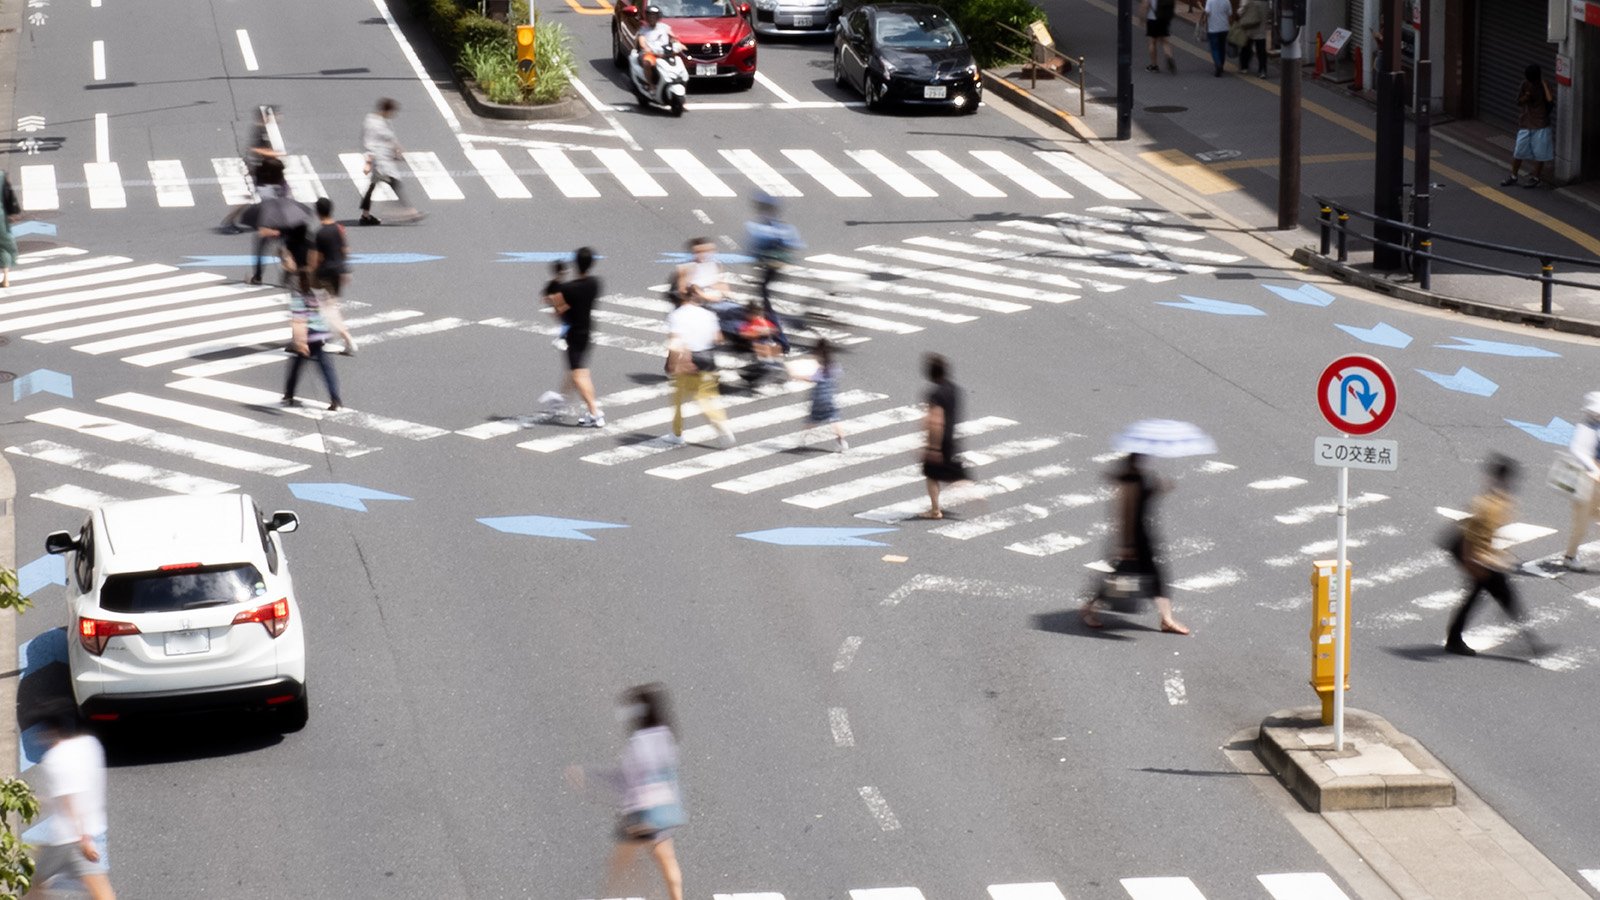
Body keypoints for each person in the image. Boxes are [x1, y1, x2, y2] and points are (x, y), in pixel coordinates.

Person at [568, 684, 686, 900]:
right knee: (665, 859)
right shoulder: (666, 736)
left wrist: (589, 777)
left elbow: (624, 779)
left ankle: (625, 895)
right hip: (663, 809)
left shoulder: (639, 743)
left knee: (621, 863)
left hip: (641, 814)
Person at [1080, 453, 1191, 634]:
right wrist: (1126, 546)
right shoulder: (1130, 481)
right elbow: (1127, 514)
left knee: (1155, 577)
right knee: (1119, 578)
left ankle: (1166, 619)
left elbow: (1145, 497)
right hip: (1133, 539)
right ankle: (1089, 607)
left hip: (1144, 536)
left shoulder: (1141, 476)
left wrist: (1159, 488)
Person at [1445, 456, 1545, 656]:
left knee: (1491, 596)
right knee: (1499, 596)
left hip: (1484, 558)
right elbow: (1468, 537)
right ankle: (1529, 641)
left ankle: (1529, 640)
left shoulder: (1499, 499)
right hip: (1477, 559)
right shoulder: (1487, 503)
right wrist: (1472, 564)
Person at [27, 707, 114, 900]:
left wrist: (83, 839)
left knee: (36, 885)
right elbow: (76, 790)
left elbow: (69, 798)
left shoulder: (55, 759)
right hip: (94, 830)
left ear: (50, 732)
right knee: (37, 883)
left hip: (72, 839)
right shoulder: (90, 745)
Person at [663, 292, 734, 448]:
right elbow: (718, 338)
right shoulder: (709, 314)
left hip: (688, 359)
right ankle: (720, 424)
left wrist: (673, 364)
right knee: (705, 397)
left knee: (678, 399)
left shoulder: (676, 316)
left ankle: (677, 434)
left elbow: (675, 342)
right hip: (708, 359)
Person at [549, 247, 604, 427]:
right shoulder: (595, 283)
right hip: (587, 332)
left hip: (573, 335)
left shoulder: (567, 289)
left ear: (575, 264)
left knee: (578, 374)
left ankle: (595, 413)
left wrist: (556, 297)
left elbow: (559, 311)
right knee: (581, 372)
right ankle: (579, 406)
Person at [744, 193, 802, 353]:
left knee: (766, 303)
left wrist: (755, 259)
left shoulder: (759, 228)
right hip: (781, 267)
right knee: (769, 298)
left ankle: (782, 341)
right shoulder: (783, 227)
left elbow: (751, 250)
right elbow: (796, 243)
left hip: (768, 269)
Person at [282, 266, 343, 412]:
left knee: (296, 367)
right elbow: (330, 312)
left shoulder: (298, 297)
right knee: (326, 369)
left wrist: (300, 341)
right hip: (321, 335)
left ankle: (289, 394)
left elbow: (299, 321)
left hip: (308, 337)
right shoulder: (320, 294)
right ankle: (335, 399)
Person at [222, 106, 283, 235]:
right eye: (274, 115)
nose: (278, 117)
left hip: (261, 170)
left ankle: (264, 221)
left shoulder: (265, 130)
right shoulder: (261, 130)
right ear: (265, 116)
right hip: (255, 170)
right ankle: (228, 222)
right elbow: (254, 150)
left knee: (267, 196)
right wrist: (273, 154)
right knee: (249, 197)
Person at [359, 98, 420, 225]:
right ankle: (411, 211)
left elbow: (391, 139)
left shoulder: (384, 121)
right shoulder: (372, 122)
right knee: (395, 183)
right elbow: (369, 142)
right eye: (391, 112)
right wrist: (369, 162)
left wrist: (398, 151)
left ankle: (365, 215)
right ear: (386, 110)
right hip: (380, 161)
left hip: (385, 159)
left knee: (372, 187)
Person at [920, 353, 966, 519]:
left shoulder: (935, 394)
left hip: (939, 439)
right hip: (951, 436)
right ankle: (969, 487)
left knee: (931, 474)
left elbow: (936, 421)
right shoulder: (953, 389)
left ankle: (935, 510)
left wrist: (933, 448)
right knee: (949, 471)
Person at [308, 197, 356, 355]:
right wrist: (345, 270)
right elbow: (345, 251)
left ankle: (347, 338)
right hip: (338, 272)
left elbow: (315, 261)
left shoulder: (320, 234)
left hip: (324, 275)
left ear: (318, 213)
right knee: (329, 307)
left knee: (328, 310)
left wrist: (309, 275)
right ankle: (325, 335)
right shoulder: (339, 229)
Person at [1562, 392, 1600, 571]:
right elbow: (1577, 450)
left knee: (1593, 514)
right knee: (1581, 523)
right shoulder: (1586, 428)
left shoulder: (1596, 427)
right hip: (1584, 481)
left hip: (1595, 481)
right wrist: (1593, 467)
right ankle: (1569, 557)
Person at [1502, 65, 1556, 189]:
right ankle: (1513, 175)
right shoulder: (1525, 85)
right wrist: (1526, 96)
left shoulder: (1544, 84)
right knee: (1519, 151)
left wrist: (1544, 85)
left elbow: (1550, 100)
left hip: (1541, 123)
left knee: (1540, 153)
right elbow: (1519, 102)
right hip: (1526, 122)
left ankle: (1535, 177)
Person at [800, 339, 847, 451]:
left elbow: (812, 378)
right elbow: (839, 372)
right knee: (834, 418)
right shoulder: (833, 366)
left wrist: (799, 377)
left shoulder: (821, 369)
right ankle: (842, 441)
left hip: (819, 398)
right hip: (829, 398)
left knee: (813, 418)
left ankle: (803, 438)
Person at [674, 237, 728, 305]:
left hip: (716, 300)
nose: (703, 254)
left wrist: (723, 293)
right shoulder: (686, 267)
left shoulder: (716, 264)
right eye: (698, 252)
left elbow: (721, 284)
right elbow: (683, 291)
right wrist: (703, 296)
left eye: (706, 251)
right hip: (696, 303)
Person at [636, 6, 678, 88]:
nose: (652, 18)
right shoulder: (643, 29)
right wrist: (646, 48)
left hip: (665, 53)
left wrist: (675, 42)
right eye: (650, 15)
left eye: (654, 15)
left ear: (658, 17)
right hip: (650, 53)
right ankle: (651, 84)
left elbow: (673, 37)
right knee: (647, 63)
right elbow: (641, 41)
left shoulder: (664, 27)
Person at [1234, 0, 1268, 78]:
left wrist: (1238, 12)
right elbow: (1269, 13)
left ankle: (1244, 67)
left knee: (1246, 48)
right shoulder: (1265, 2)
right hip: (1261, 28)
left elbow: (1241, 11)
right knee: (1261, 50)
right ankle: (1262, 70)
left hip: (1248, 27)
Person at [1141, 0, 1176, 73]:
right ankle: (1169, 56)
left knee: (1152, 42)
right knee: (1165, 41)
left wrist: (1142, 18)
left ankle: (1154, 65)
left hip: (1152, 18)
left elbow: (1145, 4)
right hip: (1164, 18)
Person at [1200, 0, 1232, 77]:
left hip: (1213, 29)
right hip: (1224, 28)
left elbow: (1207, 12)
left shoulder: (1210, 1)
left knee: (1214, 48)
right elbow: (1230, 13)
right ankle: (1222, 64)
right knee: (1222, 47)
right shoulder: (1227, 1)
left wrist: (1203, 19)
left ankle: (1218, 64)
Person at [0, 167, 18, 289]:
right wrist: (12, 213)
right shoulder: (1, 176)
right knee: (3, 247)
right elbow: (9, 196)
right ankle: (5, 278)